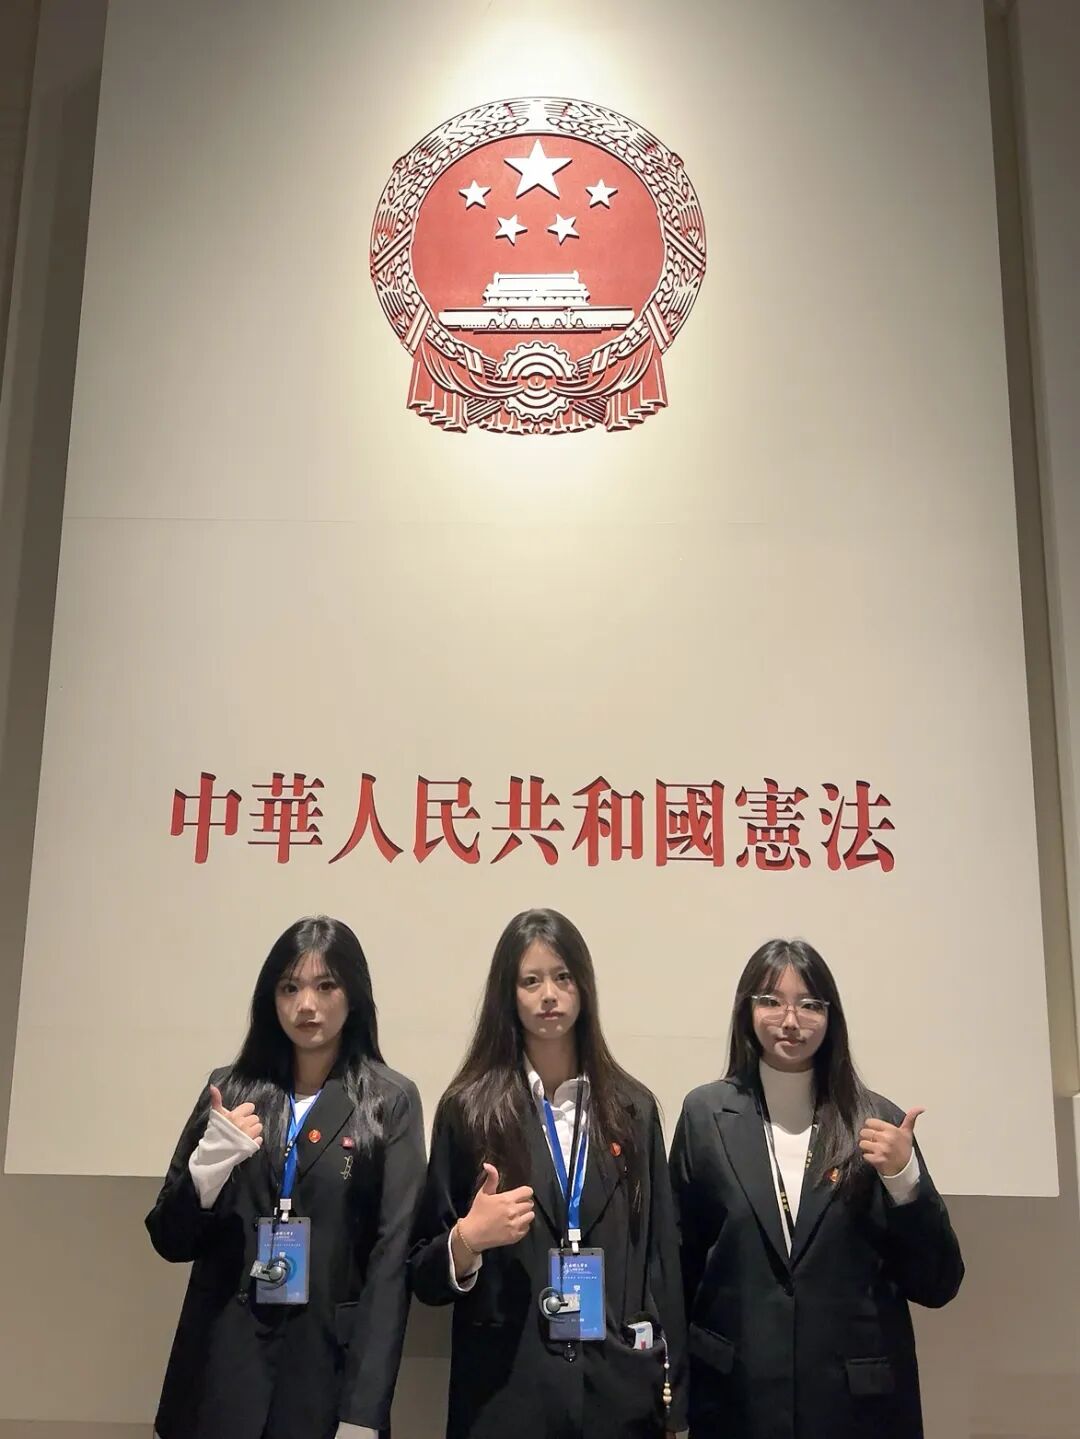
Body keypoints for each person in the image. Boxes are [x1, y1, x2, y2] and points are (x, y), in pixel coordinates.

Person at [409, 907, 686, 1439]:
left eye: (563, 977)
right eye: (531, 981)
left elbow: (661, 1261)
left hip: (617, 1393)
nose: (550, 995)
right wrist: (467, 1240)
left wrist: (674, 1402)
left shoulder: (633, 1109)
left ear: (584, 987)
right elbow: (423, 1274)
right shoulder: (469, 1110)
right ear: (508, 994)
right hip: (505, 1393)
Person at [670, 938, 963, 1439]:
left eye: (809, 1005)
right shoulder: (706, 1116)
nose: (790, 1020)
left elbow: (938, 1284)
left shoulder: (877, 1122)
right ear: (746, 1010)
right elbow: (679, 1262)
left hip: (854, 1406)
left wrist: (904, 1178)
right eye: (771, 1001)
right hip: (735, 1397)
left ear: (831, 1017)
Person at [146, 916, 425, 1439]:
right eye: (290, 988)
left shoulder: (390, 1101)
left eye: (326, 986)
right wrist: (206, 1174)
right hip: (218, 1372)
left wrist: (364, 1411)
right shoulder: (230, 1091)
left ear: (353, 996)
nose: (306, 1005)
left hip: (323, 1376)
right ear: (269, 999)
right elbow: (169, 1238)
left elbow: (392, 1262)